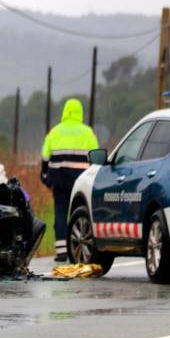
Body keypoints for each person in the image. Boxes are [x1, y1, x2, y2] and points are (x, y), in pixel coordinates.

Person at [41, 99, 98, 262]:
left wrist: (45, 179)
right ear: (80, 112)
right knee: (80, 212)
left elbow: (45, 158)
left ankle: (61, 252)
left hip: (59, 180)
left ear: (64, 112)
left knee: (60, 213)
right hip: (82, 180)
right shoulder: (88, 132)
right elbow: (95, 159)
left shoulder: (54, 132)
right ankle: (79, 248)